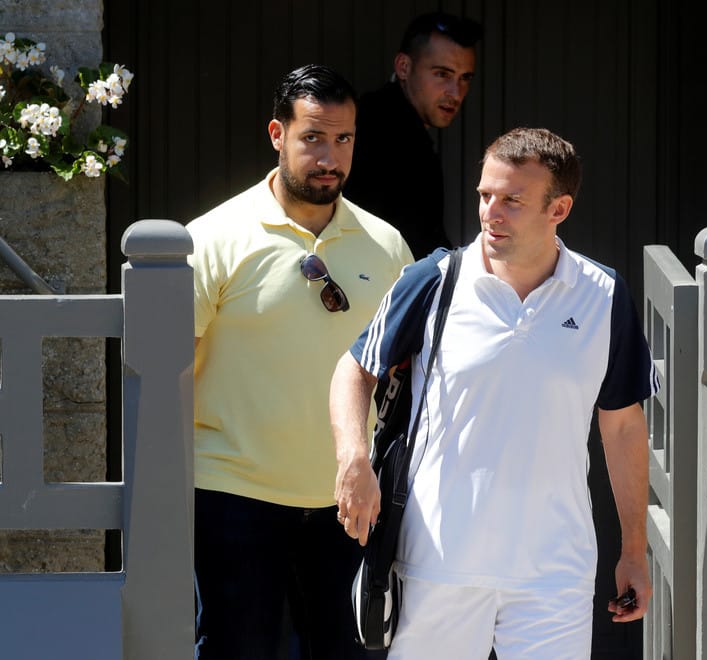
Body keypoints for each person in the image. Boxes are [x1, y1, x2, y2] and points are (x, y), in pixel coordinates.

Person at [329, 127, 658, 659]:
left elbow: (621, 424)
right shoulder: (436, 279)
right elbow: (354, 369)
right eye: (485, 195)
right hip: (436, 565)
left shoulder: (604, 295)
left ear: (559, 209)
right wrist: (353, 458)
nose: (490, 213)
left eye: (511, 201)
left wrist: (634, 550)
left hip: (556, 574)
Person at [186, 64, 413, 660]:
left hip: (350, 500)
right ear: (277, 134)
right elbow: (167, 375)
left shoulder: (388, 246)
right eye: (313, 137)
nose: (330, 157)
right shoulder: (211, 238)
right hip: (233, 495)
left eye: (344, 139)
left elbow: (410, 376)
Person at [345, 11, 482, 259]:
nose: (455, 92)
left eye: (464, 78)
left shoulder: (388, 122)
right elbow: (416, 243)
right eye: (442, 74)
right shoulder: (380, 132)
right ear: (404, 67)